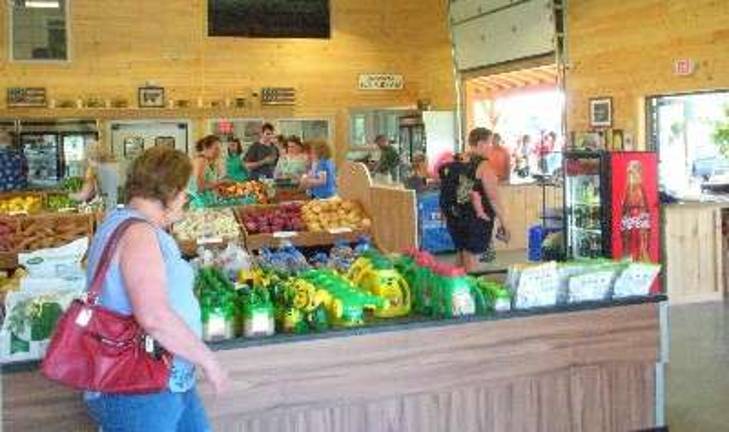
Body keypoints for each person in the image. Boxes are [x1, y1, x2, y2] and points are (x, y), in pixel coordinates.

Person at [83, 146, 228, 431]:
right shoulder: (138, 233)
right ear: (168, 192)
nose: (186, 197)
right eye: (184, 190)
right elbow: (154, 316)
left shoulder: (120, 222)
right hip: (139, 385)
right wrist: (208, 360)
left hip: (166, 377)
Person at [442, 128, 510, 273]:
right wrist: (504, 224)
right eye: (490, 143)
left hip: (454, 217)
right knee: (470, 256)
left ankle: (455, 289)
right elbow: (494, 199)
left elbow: (452, 189)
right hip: (474, 219)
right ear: (480, 144)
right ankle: (470, 291)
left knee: (462, 254)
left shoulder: (458, 159)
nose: (492, 147)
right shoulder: (484, 166)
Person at [70, 142, 120, 212]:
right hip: (113, 209)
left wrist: (68, 196)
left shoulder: (93, 169)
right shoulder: (113, 167)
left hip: (101, 211)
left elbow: (84, 195)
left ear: (89, 157)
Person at [621, 160, 652, 262]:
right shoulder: (629, 187)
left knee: (640, 241)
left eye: (634, 170)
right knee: (629, 241)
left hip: (638, 217)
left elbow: (644, 206)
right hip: (632, 217)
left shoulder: (639, 187)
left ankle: (638, 260)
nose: (631, 173)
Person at [187, 135, 223, 208]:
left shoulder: (209, 162)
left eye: (219, 149)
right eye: (216, 149)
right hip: (199, 204)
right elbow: (199, 186)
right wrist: (219, 183)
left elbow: (209, 183)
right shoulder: (201, 161)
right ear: (205, 148)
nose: (219, 152)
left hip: (208, 202)